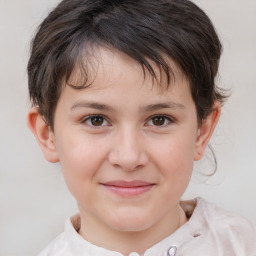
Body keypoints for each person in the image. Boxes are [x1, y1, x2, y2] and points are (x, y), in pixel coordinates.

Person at [27, 0, 256, 255]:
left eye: (159, 120)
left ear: (201, 132)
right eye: (96, 120)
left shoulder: (242, 245)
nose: (129, 157)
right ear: (47, 135)